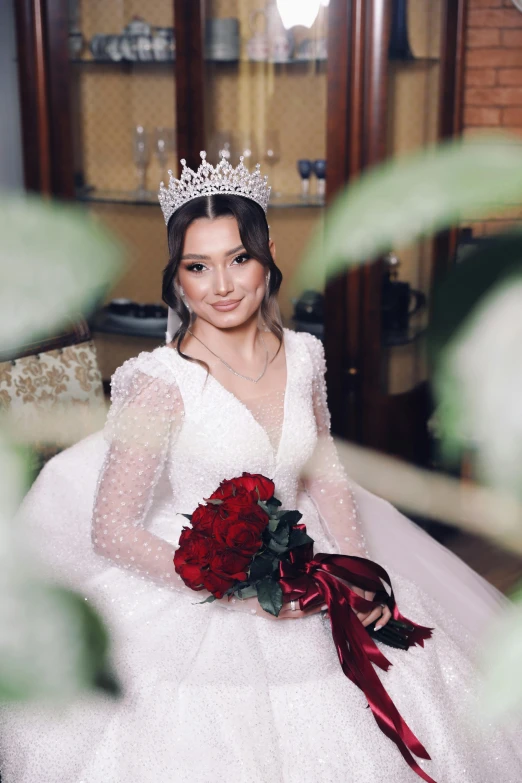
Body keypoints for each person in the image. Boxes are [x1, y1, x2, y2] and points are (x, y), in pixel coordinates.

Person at [0, 152, 521, 783]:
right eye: (198, 266)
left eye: (238, 259)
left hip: (307, 546)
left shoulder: (303, 355)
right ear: (178, 278)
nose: (221, 285)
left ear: (267, 255)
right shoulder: (162, 383)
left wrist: (357, 569)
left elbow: (322, 468)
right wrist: (245, 590)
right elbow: (111, 529)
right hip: (201, 580)